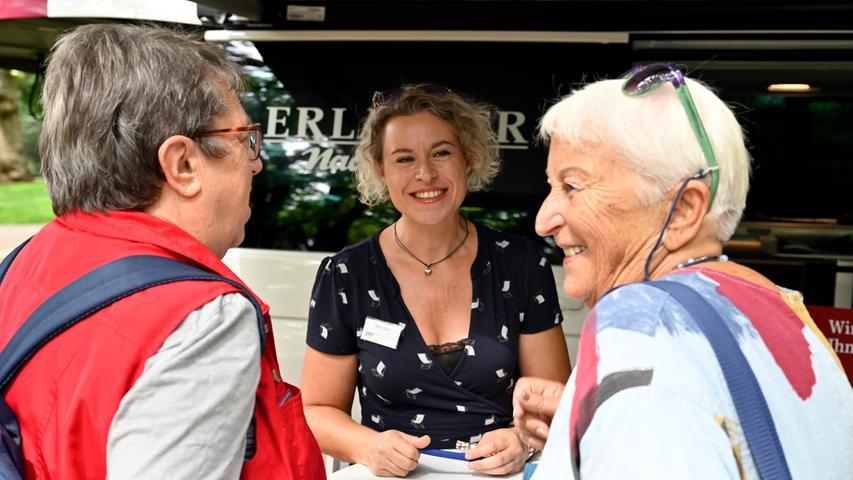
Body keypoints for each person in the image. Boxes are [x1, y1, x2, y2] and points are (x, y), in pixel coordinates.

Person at [0, 24, 325, 479]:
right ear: (183, 164)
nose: (257, 161)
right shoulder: (202, 316)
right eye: (244, 138)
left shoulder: (26, 261)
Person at [512, 64, 853, 479]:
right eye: (551, 186)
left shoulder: (643, 323)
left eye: (572, 186)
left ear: (684, 210)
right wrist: (598, 425)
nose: (543, 220)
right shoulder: (776, 304)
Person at [301, 84, 571, 477]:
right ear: (382, 170)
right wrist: (369, 446)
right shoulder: (346, 275)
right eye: (404, 158)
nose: (425, 174)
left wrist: (522, 440)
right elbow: (316, 410)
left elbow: (553, 404)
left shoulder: (521, 263)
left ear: (468, 158)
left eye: (441, 153)